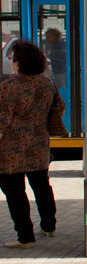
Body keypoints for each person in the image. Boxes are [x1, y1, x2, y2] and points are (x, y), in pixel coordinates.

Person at [0, 40, 63, 248]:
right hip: (38, 145)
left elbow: (2, 119)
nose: (12, 63)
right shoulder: (47, 83)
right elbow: (59, 108)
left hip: (11, 151)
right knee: (42, 186)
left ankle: (25, 237)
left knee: (15, 192)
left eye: (13, 59)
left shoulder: (9, 86)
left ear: (20, 63)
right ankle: (49, 226)